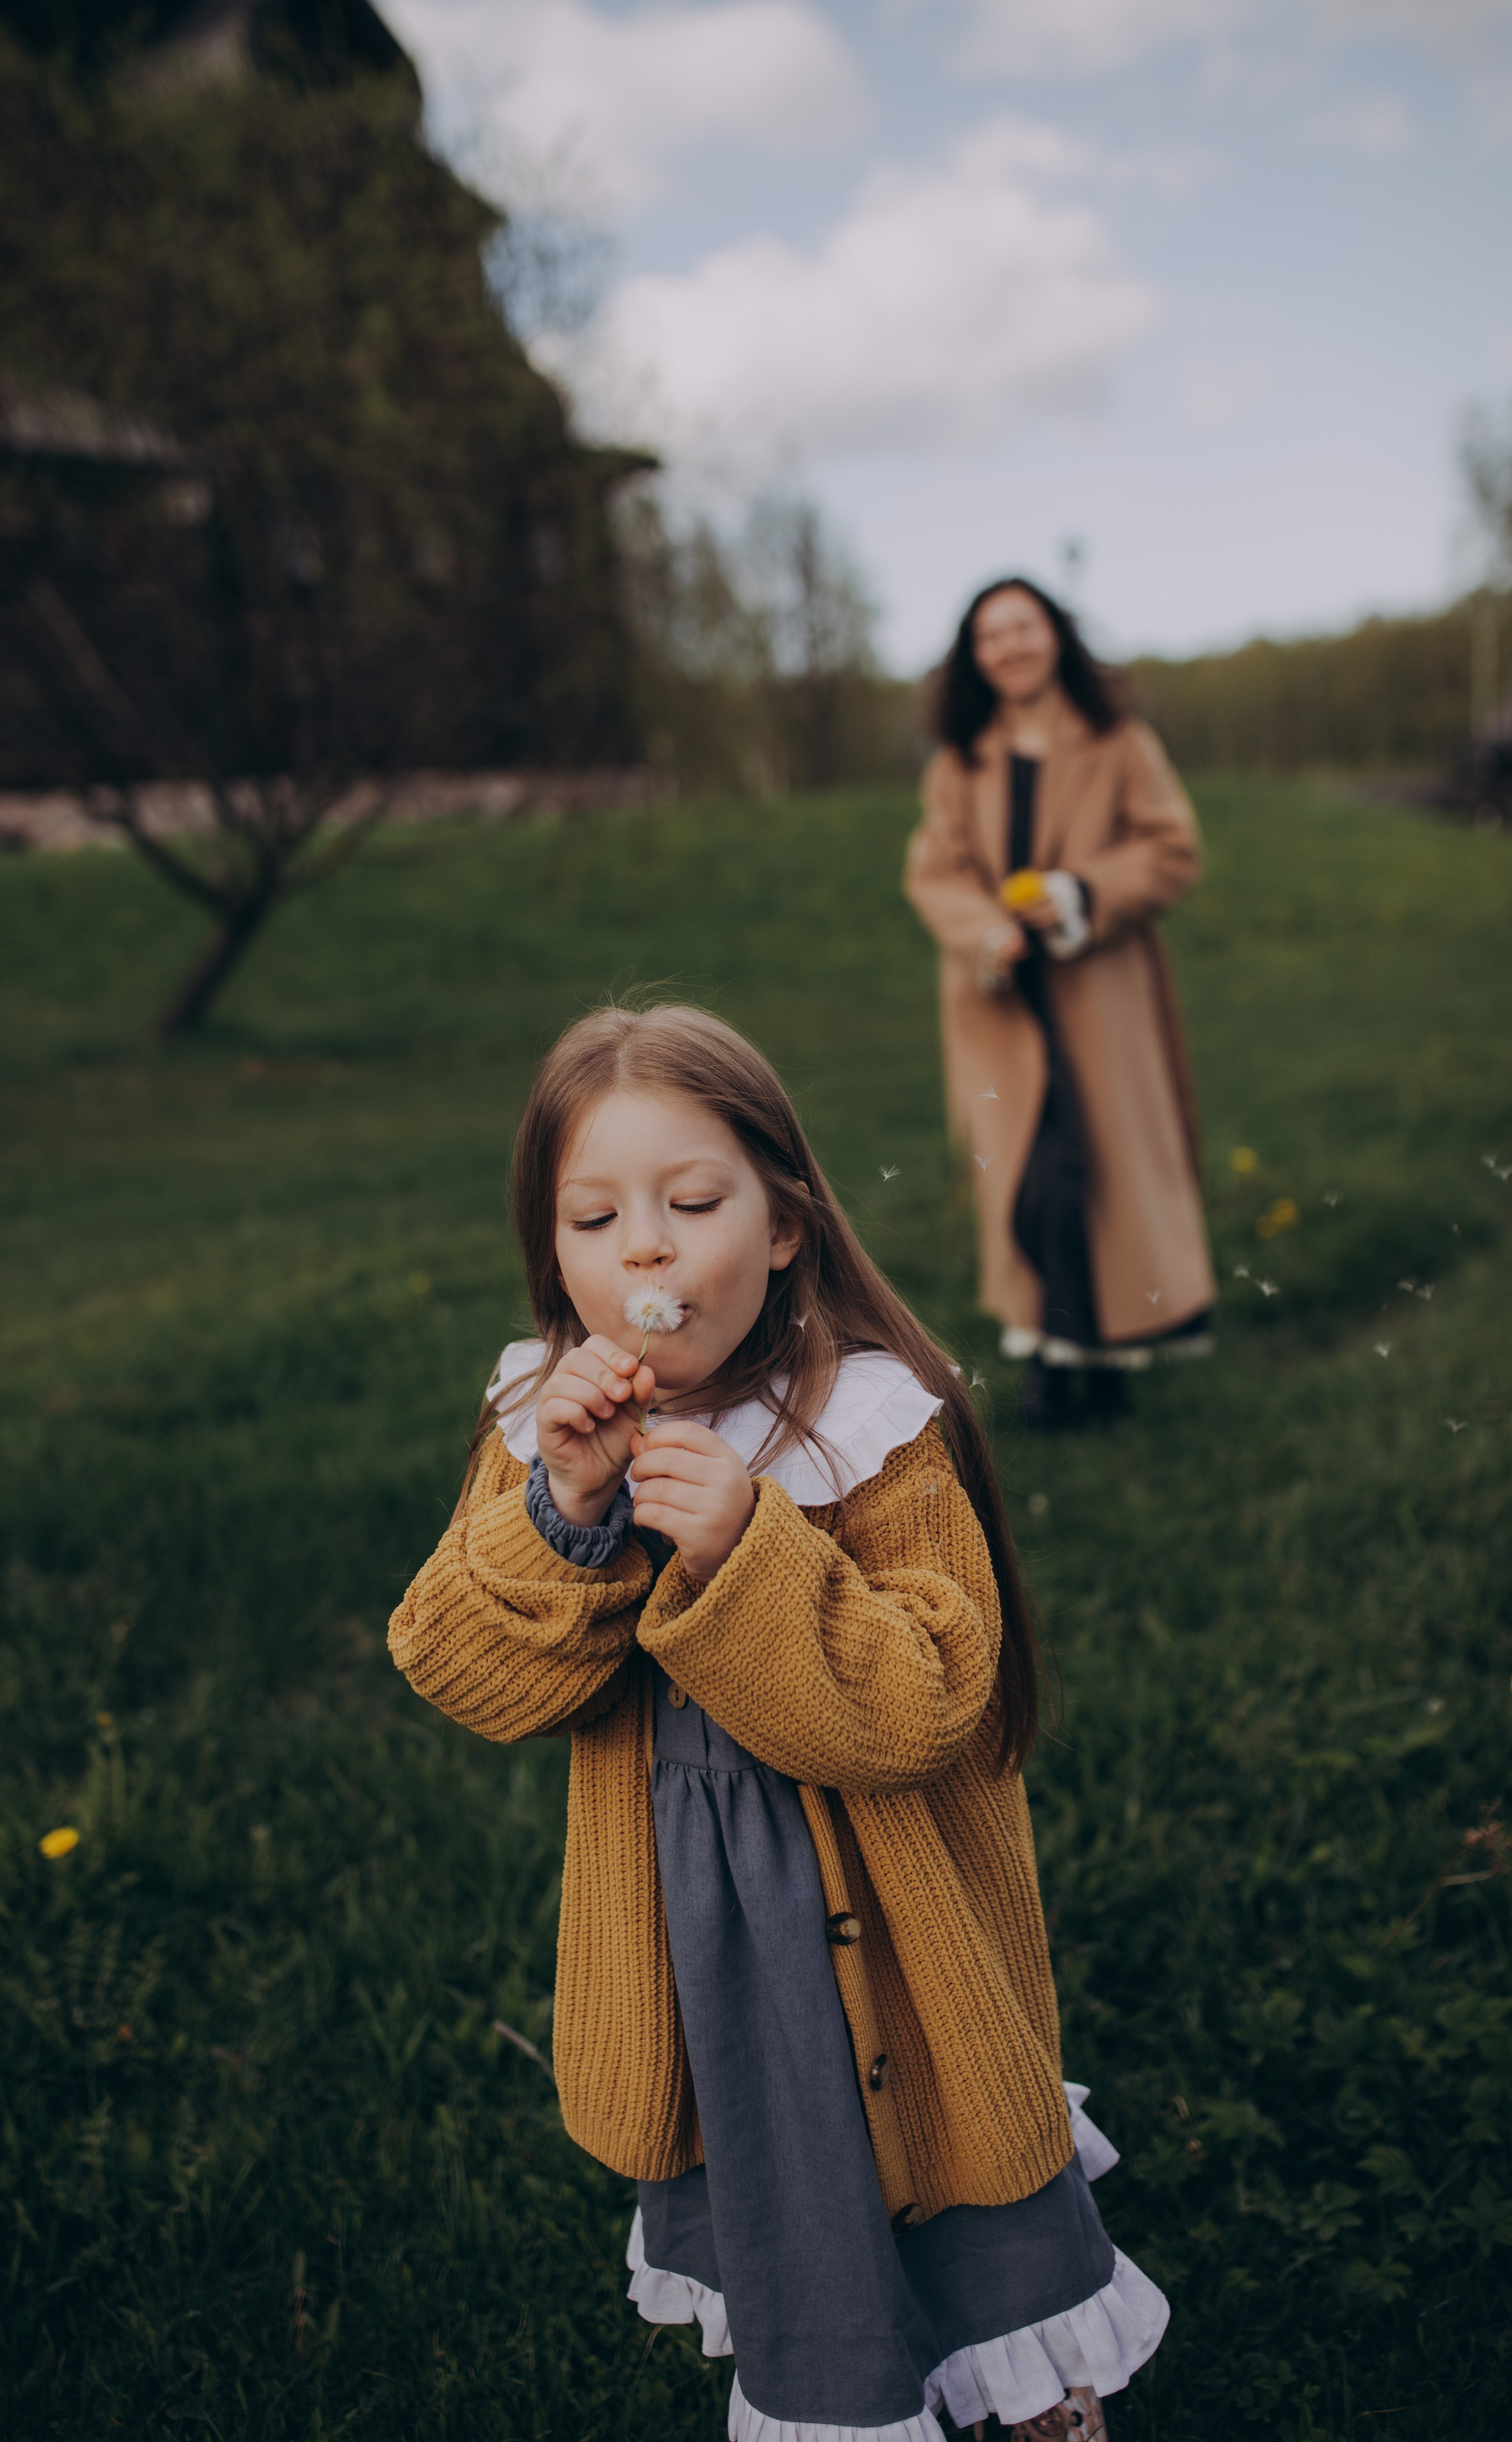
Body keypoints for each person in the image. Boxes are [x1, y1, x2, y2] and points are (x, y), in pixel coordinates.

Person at [388, 1001, 1167, 2441]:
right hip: (708, 1966)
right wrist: (565, 1515)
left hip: (906, 1951)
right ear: (551, 1247)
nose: (645, 1249)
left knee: (975, 2219)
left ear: (786, 1224)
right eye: (593, 1215)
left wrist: (747, 1550)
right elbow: (460, 1669)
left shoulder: (865, 1430)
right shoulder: (541, 1436)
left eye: (692, 1202)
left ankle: (1045, 2406)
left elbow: (925, 1700)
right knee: (796, 2226)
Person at [904, 579, 1215, 1428]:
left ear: (1054, 637)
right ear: (975, 657)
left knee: (1097, 1178)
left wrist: (1082, 891)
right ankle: (1050, 1352)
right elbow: (935, 874)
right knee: (1032, 1183)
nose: (1008, 646)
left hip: (1100, 994)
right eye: (990, 635)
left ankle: (1100, 1363)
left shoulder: (1120, 743)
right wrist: (984, 933)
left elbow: (1172, 848)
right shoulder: (959, 760)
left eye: (1022, 628)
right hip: (1001, 1002)